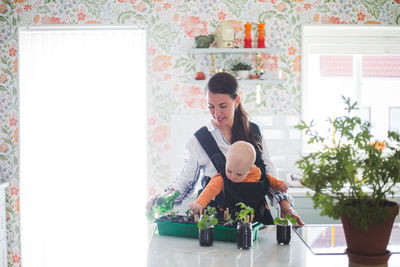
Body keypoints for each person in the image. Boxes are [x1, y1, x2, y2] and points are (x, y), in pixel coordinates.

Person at [146, 72, 304, 225]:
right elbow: (186, 181)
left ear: (236, 101)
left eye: (223, 106)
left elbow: (267, 173)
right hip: (217, 224)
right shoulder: (199, 140)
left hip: (257, 221)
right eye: (211, 107)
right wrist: (165, 196)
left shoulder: (254, 132)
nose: (217, 113)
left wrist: (285, 204)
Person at [189, 141, 289, 224]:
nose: (232, 176)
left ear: (249, 169)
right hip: (231, 217)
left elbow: (268, 179)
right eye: (229, 171)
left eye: (238, 174)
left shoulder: (257, 173)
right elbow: (209, 190)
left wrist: (279, 184)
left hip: (258, 217)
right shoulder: (221, 178)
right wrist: (199, 203)